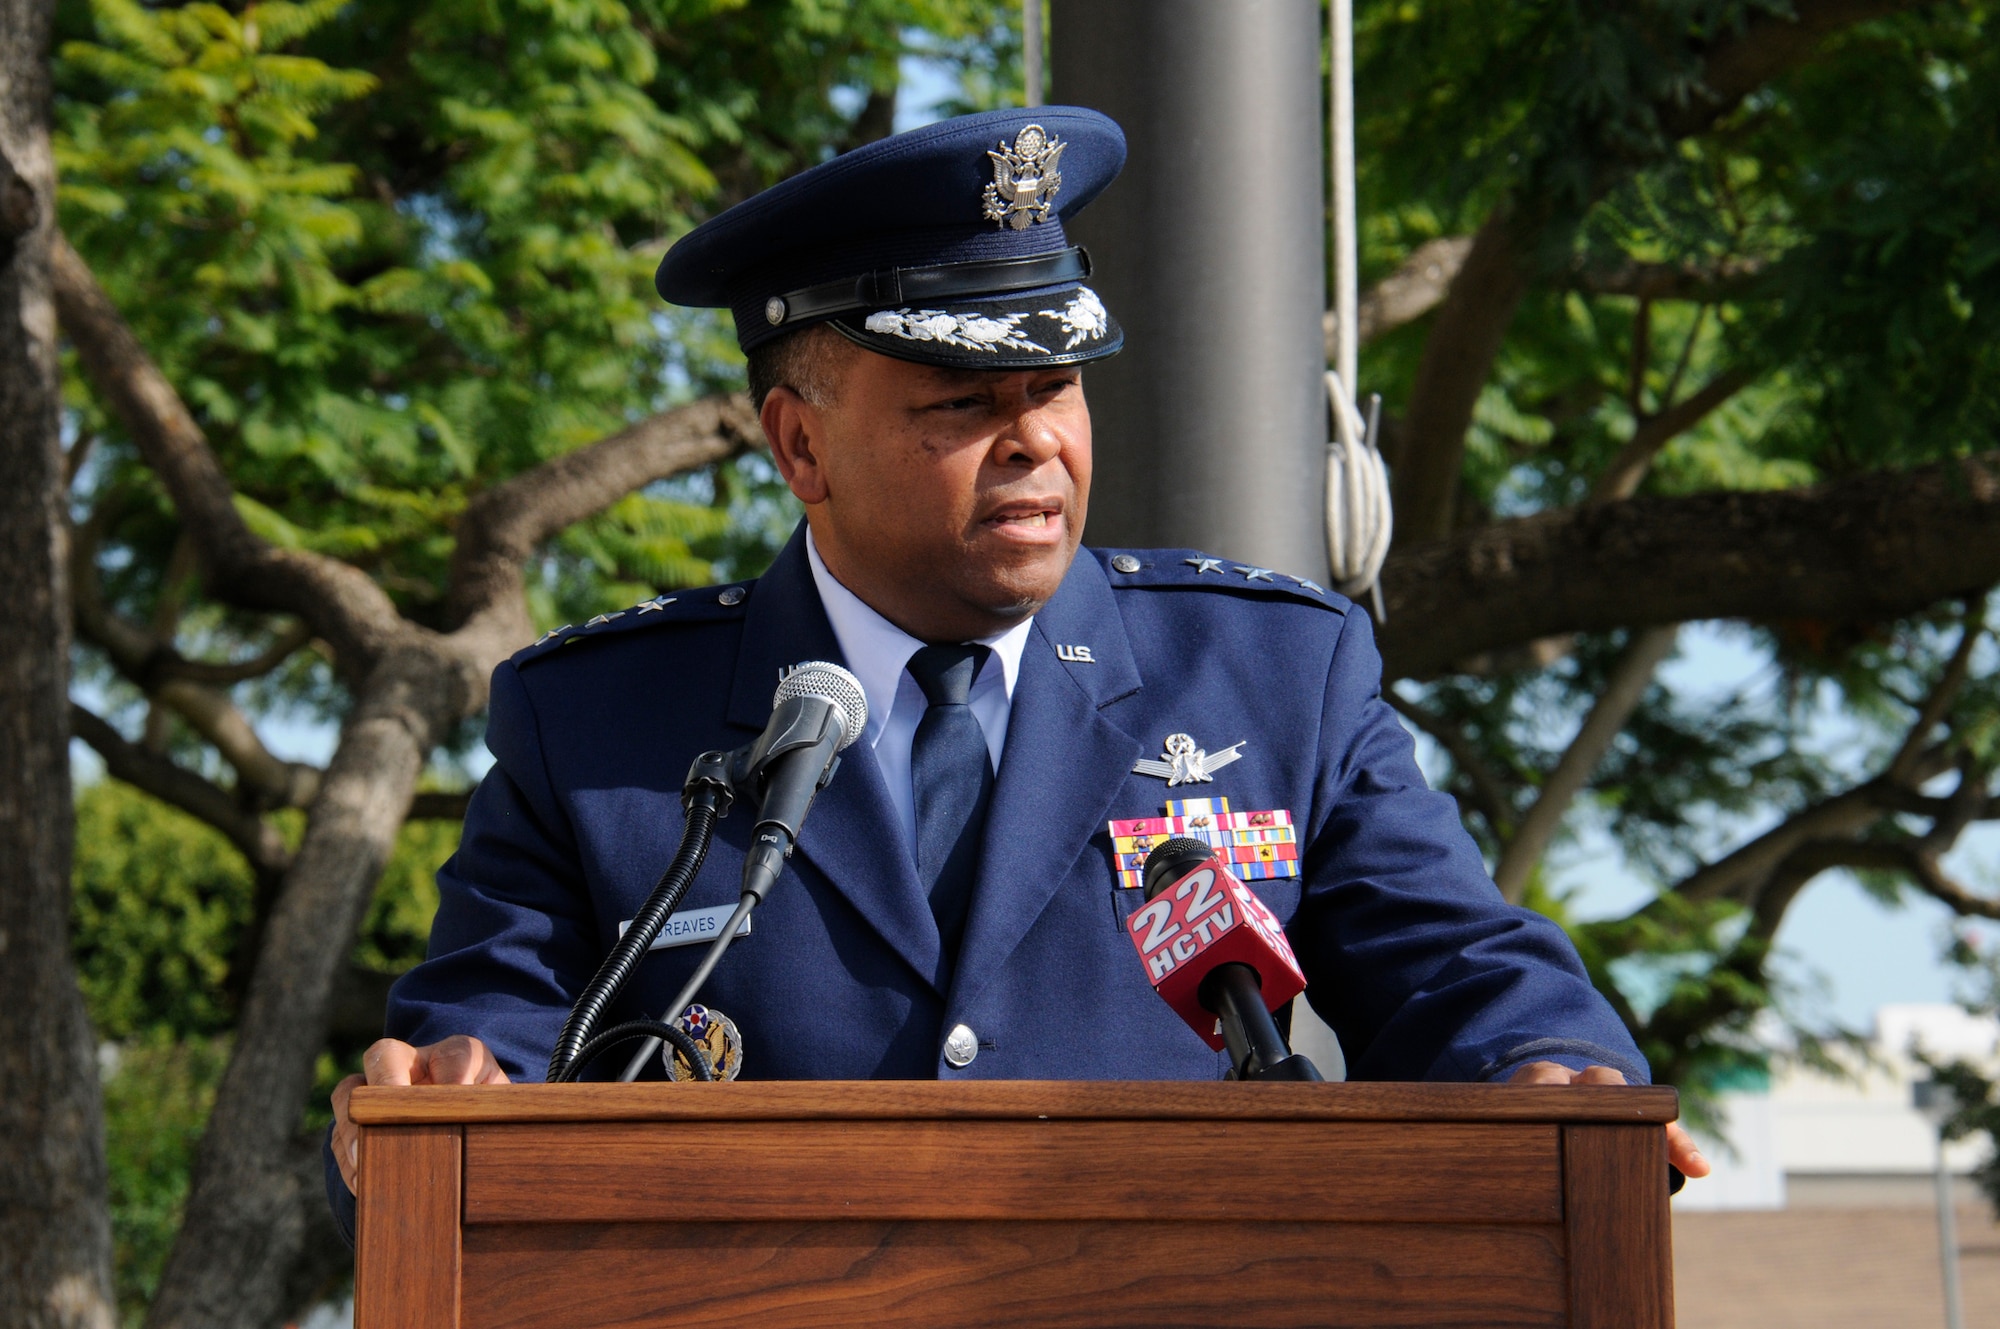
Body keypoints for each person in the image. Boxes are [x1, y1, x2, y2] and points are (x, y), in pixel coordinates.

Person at [325, 106, 1707, 1241]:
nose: (1036, 441)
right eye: (962, 403)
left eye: (1058, 387)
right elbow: (487, 1033)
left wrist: (1548, 1073)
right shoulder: (601, 723)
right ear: (799, 446)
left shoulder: (1273, 676)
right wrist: (455, 1083)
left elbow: (1455, 963)